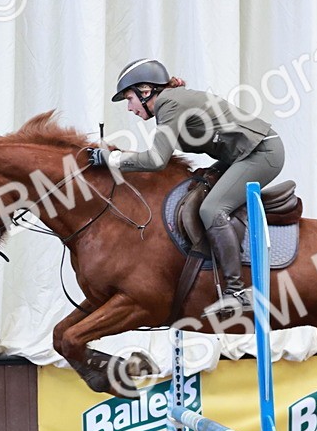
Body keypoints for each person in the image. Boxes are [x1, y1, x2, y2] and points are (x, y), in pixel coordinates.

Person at [88, 58, 284, 317]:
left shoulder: (169, 104)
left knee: (212, 209)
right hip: (242, 154)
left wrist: (111, 159)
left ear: (146, 91)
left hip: (262, 153)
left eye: (129, 98)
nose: (129, 108)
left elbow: (157, 160)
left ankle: (236, 292)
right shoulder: (172, 101)